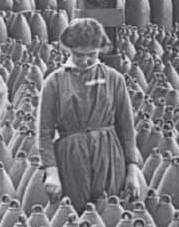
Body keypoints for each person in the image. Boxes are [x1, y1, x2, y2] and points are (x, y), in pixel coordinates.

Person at [38, 18, 146, 210]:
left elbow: (127, 129)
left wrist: (132, 169)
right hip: (71, 159)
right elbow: (44, 134)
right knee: (75, 214)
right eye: (79, 55)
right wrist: (52, 172)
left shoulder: (114, 79)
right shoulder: (54, 83)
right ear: (68, 50)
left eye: (92, 55)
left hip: (109, 156)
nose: (85, 60)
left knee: (110, 211)